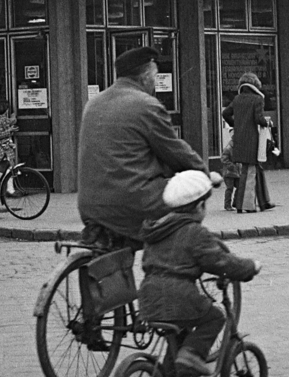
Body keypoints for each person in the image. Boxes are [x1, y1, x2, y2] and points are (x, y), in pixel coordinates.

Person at [76, 45, 205, 247]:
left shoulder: (93, 103)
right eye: (155, 76)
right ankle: (168, 267)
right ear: (145, 75)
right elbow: (176, 152)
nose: (155, 82)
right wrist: (203, 173)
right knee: (189, 200)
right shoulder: (146, 105)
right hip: (131, 204)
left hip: (89, 205)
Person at [138, 171, 260, 377]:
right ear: (197, 207)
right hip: (178, 296)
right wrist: (250, 267)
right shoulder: (195, 232)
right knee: (215, 317)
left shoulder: (156, 230)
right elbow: (220, 262)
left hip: (148, 297)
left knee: (180, 334)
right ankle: (192, 355)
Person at [222, 73, 272, 213]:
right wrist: (267, 122)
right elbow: (258, 119)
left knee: (254, 170)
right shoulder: (257, 99)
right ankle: (245, 205)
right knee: (249, 172)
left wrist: (236, 125)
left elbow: (225, 113)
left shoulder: (237, 99)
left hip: (239, 139)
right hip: (252, 140)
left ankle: (264, 202)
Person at [0, 96, 17, 206]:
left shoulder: (3, 119)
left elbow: (10, 122)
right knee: (4, 166)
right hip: (1, 148)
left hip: (6, 147)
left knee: (8, 166)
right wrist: (10, 130)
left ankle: (7, 188)